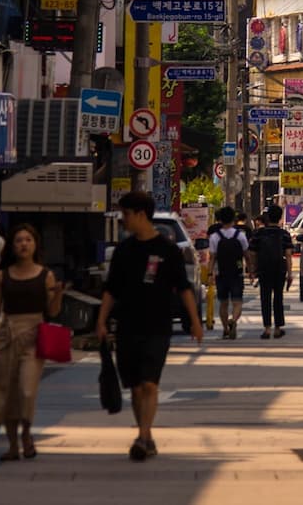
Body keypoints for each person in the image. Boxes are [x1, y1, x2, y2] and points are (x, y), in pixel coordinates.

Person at [97, 191, 204, 461]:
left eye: (126, 215)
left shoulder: (168, 250)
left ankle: (143, 436)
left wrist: (195, 321)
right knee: (134, 385)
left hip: (158, 325)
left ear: (140, 214)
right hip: (127, 325)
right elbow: (111, 289)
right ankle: (146, 435)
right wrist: (100, 320)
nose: (123, 221)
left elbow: (184, 288)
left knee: (149, 384)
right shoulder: (124, 250)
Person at [0, 223, 66, 461]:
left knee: (26, 390)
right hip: (7, 336)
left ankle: (27, 433)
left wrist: (58, 293)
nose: (23, 244)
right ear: (12, 246)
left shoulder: (45, 275)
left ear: (35, 244)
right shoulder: (2, 276)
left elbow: (53, 312)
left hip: (33, 337)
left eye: (28, 239)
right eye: (18, 240)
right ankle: (13, 445)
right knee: (6, 392)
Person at [247, 205, 294, 339]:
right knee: (278, 297)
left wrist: (253, 270)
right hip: (279, 269)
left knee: (265, 297)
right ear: (280, 217)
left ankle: (267, 328)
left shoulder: (259, 233)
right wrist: (290, 274)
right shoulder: (284, 234)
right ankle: (278, 328)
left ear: (267, 217)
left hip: (264, 269)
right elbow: (289, 255)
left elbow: (252, 253)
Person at [208, 206, 250, 339]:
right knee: (237, 302)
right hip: (237, 273)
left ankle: (225, 328)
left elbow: (212, 258)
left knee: (223, 303)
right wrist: (251, 271)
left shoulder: (215, 237)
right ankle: (234, 320)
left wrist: (210, 274)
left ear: (220, 219)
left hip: (221, 274)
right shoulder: (240, 235)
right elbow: (246, 255)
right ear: (233, 219)